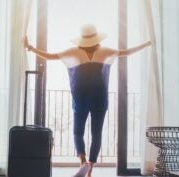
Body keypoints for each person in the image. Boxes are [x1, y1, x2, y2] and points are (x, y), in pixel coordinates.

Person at [23, 24, 151, 177]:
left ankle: (82, 162)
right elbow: (128, 52)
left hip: (81, 98)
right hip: (100, 99)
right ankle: (90, 168)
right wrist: (148, 43)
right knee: (96, 134)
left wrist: (30, 47)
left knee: (78, 133)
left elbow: (50, 56)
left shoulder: (74, 52)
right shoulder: (105, 51)